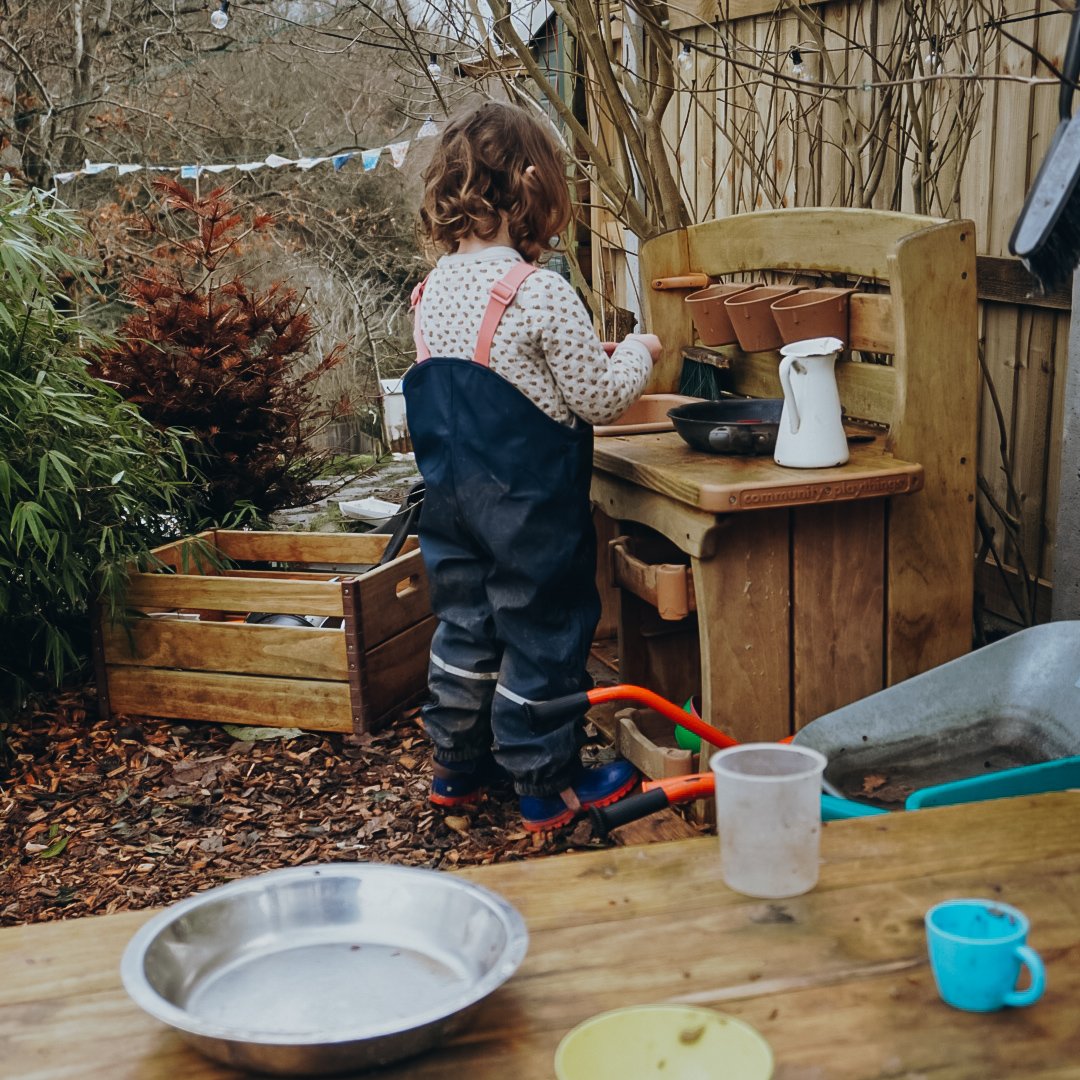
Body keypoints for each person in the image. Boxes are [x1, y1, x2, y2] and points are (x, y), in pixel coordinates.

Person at [403, 102, 662, 832]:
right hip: (527, 509)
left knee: (466, 625)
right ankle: (546, 783)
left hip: (453, 500)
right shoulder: (540, 290)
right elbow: (599, 400)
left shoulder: (428, 294)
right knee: (541, 631)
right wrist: (638, 352)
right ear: (527, 182)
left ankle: (457, 766)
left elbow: (494, 379)